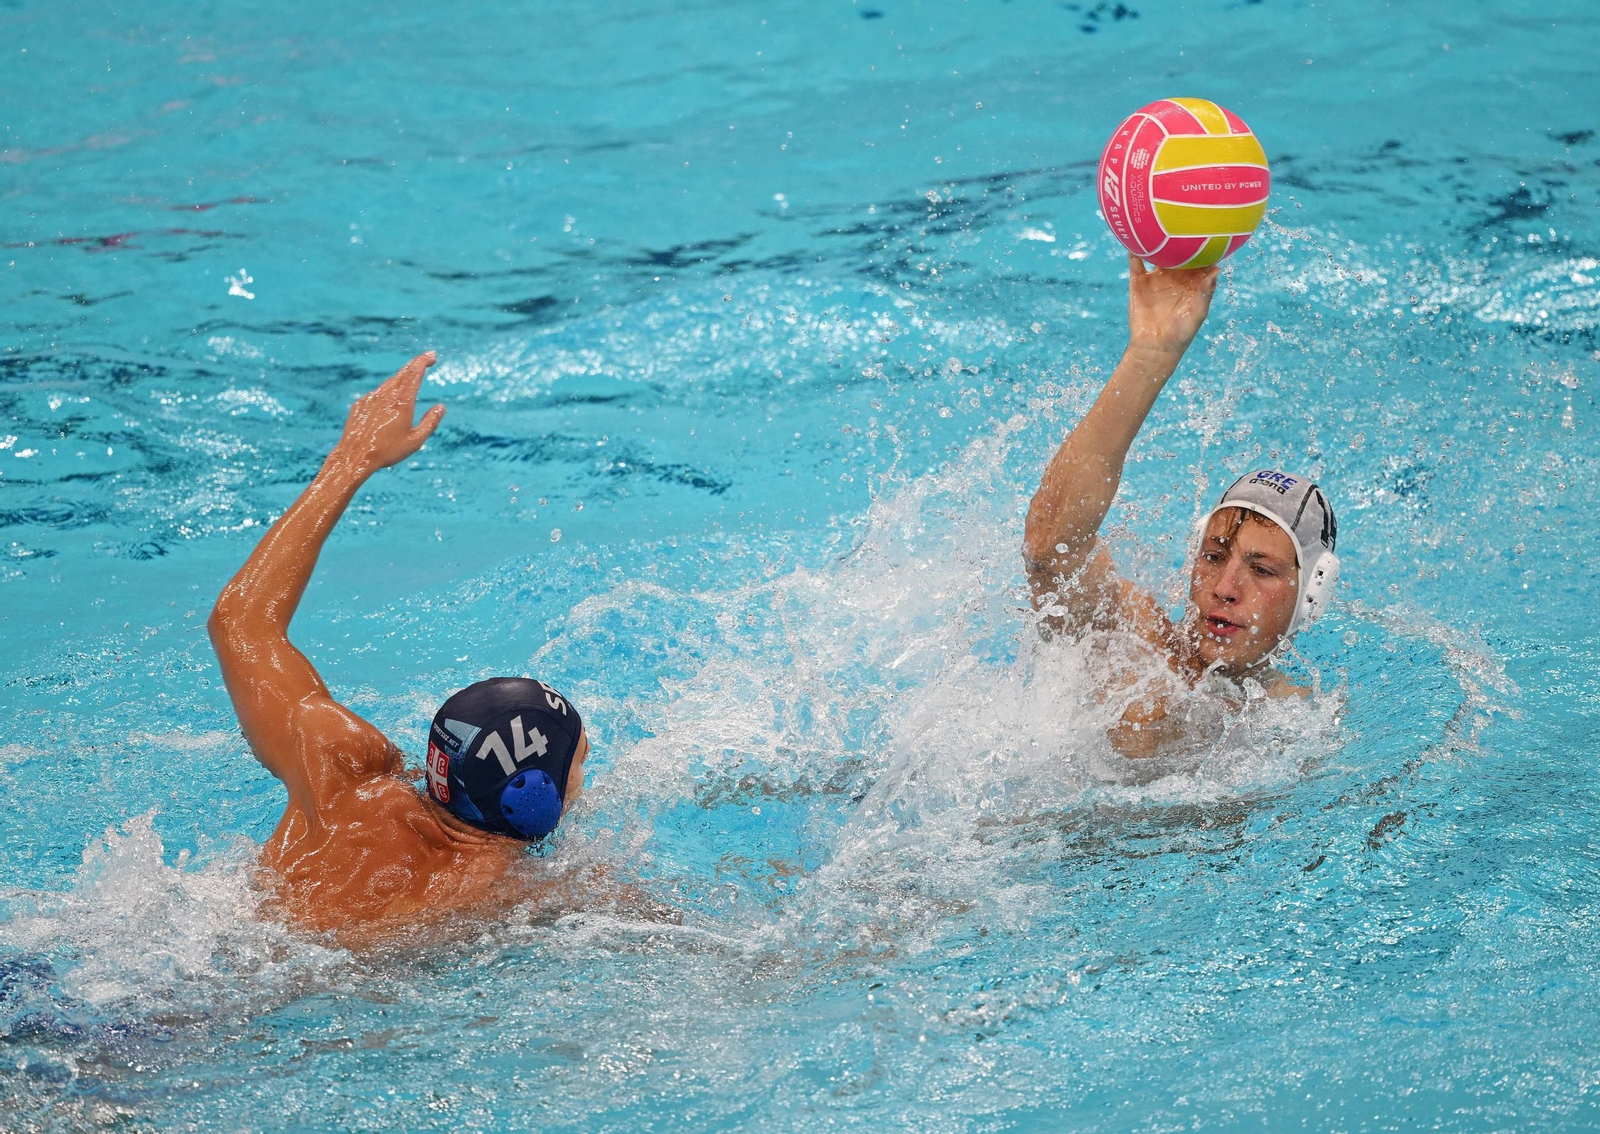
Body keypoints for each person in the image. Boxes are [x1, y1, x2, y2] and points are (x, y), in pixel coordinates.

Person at [208, 352, 591, 943]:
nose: (587, 775)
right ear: (532, 800)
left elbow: (241, 622)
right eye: (580, 763)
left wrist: (353, 458)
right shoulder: (499, 893)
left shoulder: (339, 766)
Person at [1023, 257, 1339, 757]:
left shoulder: (1302, 723)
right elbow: (1050, 546)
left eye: (1261, 569)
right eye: (1214, 556)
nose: (1225, 589)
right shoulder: (1134, 636)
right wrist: (1149, 356)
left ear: (1311, 594)